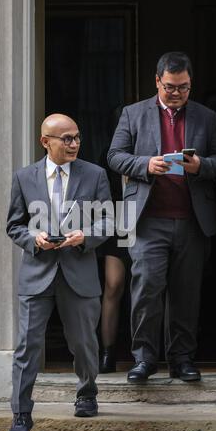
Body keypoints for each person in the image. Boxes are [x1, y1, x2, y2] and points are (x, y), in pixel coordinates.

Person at [107, 52, 216, 383]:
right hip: (148, 220)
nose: (178, 93)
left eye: (185, 87)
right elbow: (115, 156)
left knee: (186, 294)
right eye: (171, 87)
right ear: (157, 80)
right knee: (147, 289)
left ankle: (181, 359)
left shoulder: (206, 116)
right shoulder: (132, 114)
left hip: (192, 219)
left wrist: (201, 166)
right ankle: (144, 359)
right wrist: (146, 164)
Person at [6, 114, 112, 431]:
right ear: (45, 142)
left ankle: (87, 392)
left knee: (83, 343)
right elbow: (14, 225)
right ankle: (21, 415)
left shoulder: (95, 175)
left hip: (79, 271)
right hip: (37, 273)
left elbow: (109, 221)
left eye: (77, 137)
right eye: (65, 138)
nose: (74, 143)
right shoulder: (24, 178)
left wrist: (86, 236)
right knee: (27, 347)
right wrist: (32, 240)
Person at [97, 150, 129, 373]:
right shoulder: (108, 163)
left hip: (151, 222)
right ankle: (107, 352)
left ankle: (148, 353)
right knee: (113, 285)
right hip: (118, 223)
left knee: (149, 287)